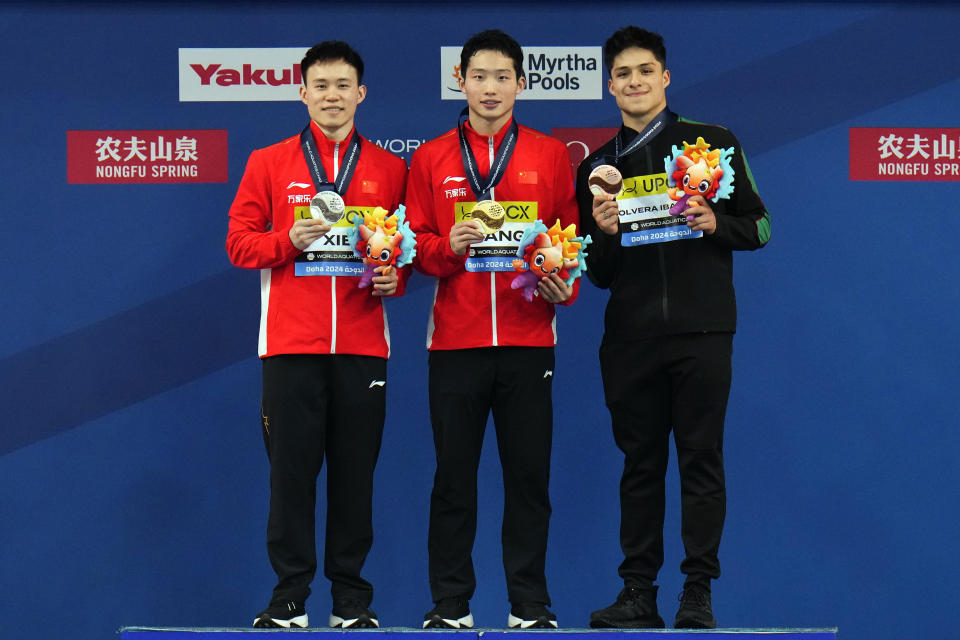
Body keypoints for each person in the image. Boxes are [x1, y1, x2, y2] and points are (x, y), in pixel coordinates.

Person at [575, 26, 770, 630]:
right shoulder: (599, 168)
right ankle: (638, 593)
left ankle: (698, 592)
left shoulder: (714, 143)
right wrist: (603, 235)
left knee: (700, 460)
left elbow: (760, 228)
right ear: (610, 86)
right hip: (629, 340)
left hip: (702, 334)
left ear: (665, 77)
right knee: (639, 467)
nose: (634, 82)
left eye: (645, 70)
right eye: (623, 74)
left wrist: (715, 222)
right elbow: (599, 274)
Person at [226, 40, 408, 629]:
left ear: (361, 93)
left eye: (342, 86)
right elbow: (239, 244)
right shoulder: (268, 162)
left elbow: (404, 257)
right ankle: (289, 599)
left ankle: (352, 601)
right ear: (302, 92)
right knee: (292, 476)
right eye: (320, 86)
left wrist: (391, 276)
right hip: (290, 346)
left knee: (356, 477)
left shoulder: (389, 168)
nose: (332, 96)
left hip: (362, 347)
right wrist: (288, 241)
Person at [404, 29, 579, 630]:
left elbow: (569, 239)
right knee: (453, 478)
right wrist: (445, 247)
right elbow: (413, 247)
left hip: (531, 341)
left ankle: (529, 604)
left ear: (521, 83)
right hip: (455, 341)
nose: (490, 88)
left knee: (528, 477)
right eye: (479, 76)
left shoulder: (550, 154)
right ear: (462, 81)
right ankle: (450, 604)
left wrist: (564, 283)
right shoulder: (428, 157)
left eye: (503, 76)